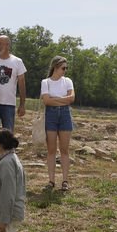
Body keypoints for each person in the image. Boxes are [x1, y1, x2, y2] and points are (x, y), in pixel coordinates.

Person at [41, 55, 75, 192]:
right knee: (51, 150)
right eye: (63, 68)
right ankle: (51, 180)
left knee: (65, 149)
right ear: (55, 67)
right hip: (51, 115)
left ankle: (65, 181)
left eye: (66, 68)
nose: (65, 70)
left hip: (65, 114)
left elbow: (71, 98)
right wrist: (62, 100)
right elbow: (46, 101)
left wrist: (55, 99)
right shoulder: (46, 82)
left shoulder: (67, 81)